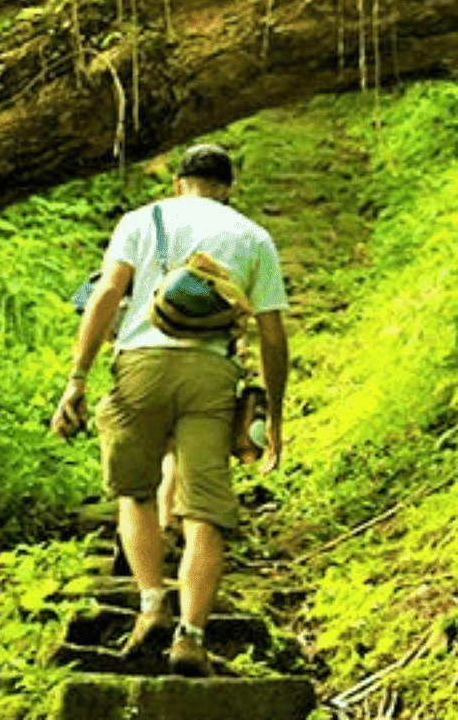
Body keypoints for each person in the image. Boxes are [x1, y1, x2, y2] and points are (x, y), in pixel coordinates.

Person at [50, 143, 289, 677]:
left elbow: (107, 293)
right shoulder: (252, 236)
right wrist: (272, 414)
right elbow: (273, 335)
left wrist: (78, 378)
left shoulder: (141, 220)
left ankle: (152, 605)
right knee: (205, 510)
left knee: (135, 494)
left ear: (178, 183)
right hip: (211, 375)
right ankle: (192, 637)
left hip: (139, 366)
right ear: (228, 189)